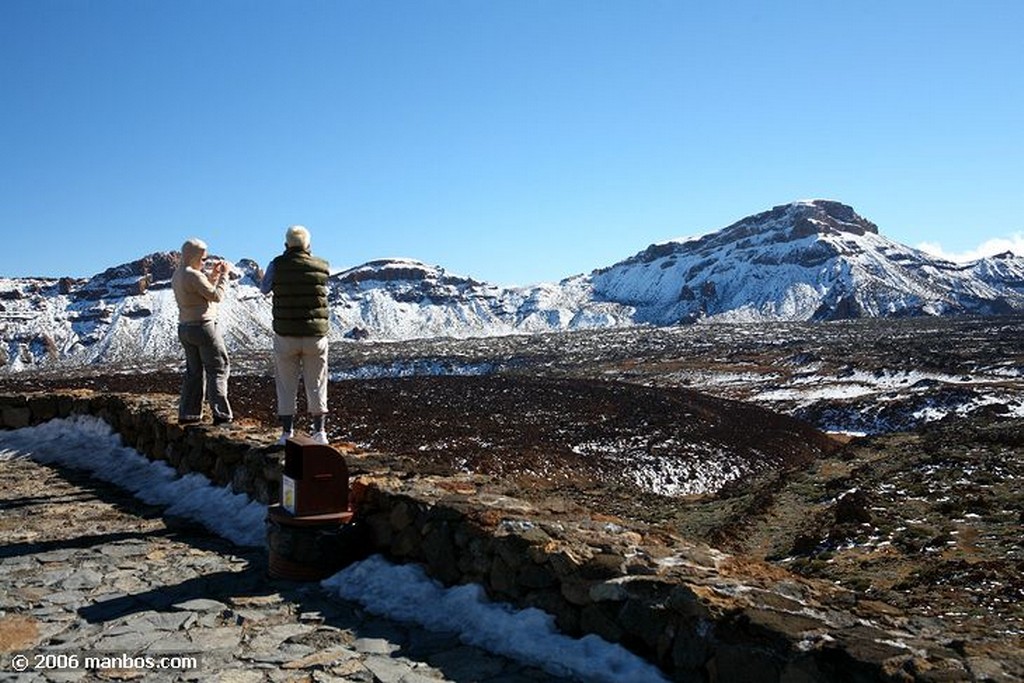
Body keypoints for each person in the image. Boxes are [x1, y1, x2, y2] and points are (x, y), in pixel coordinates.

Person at [260, 225, 331, 445]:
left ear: (286, 245)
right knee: (317, 382)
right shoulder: (322, 265)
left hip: (286, 334)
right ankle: (319, 432)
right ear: (308, 245)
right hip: (315, 336)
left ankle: (286, 432)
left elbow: (264, 288)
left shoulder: (276, 265)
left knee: (285, 383)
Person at [171, 238, 233, 426]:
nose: (204, 262)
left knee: (194, 372)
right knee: (218, 369)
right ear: (195, 255)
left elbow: (200, 290)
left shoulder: (177, 275)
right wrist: (224, 276)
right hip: (204, 327)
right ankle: (221, 415)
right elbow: (216, 296)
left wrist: (212, 276)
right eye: (203, 258)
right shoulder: (193, 275)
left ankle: (188, 414)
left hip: (185, 328)